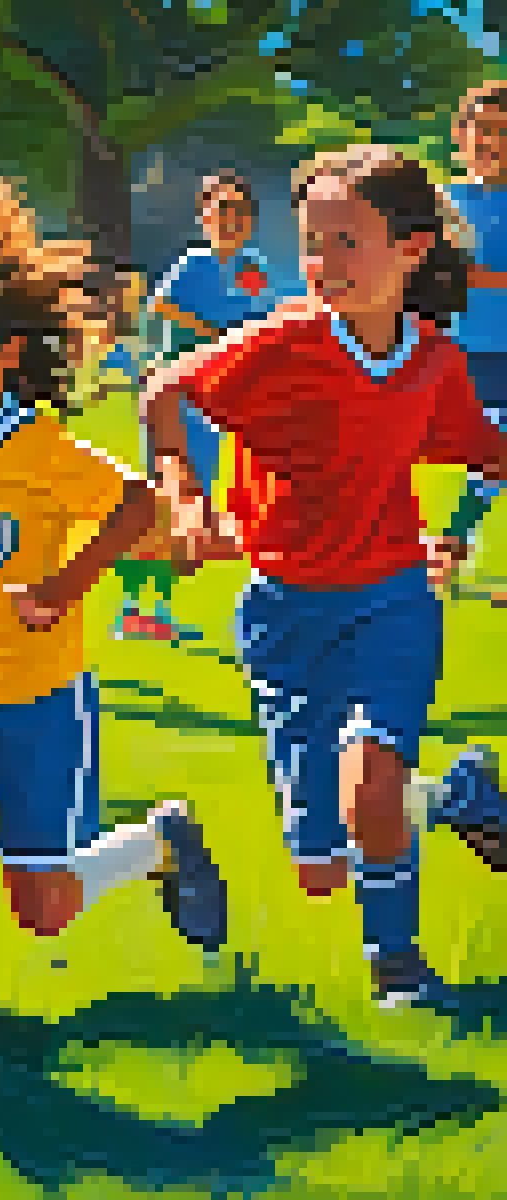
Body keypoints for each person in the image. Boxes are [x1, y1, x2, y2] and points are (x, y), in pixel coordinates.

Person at [146, 144, 507, 1009]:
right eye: (313, 243)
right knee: (320, 864)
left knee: (371, 783)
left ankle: (400, 972)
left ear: (411, 251)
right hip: (281, 614)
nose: (323, 264)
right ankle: (458, 793)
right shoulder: (281, 343)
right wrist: (186, 496)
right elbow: (168, 392)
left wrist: (457, 528)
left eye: (347, 241)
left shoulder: (432, 363)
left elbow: (485, 452)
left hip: (390, 602)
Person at [0, 178, 231, 1023]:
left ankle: (160, 844)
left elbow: (134, 507)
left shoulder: (37, 447)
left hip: (38, 701)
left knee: (41, 907)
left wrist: (67, 584)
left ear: (7, 355)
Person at [114, 172, 281, 642]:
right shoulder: (195, 263)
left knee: (192, 504)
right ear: (204, 217)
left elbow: (263, 320)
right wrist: (217, 338)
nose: (230, 218)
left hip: (215, 404)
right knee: (169, 500)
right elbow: (162, 305)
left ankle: (150, 611)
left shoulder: (254, 267)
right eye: (220, 208)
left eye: (239, 209)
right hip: (177, 399)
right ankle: (135, 610)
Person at [440, 80, 507, 560]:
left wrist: (484, 279)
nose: (491, 141)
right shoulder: (443, 202)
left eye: (502, 131)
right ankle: (453, 538)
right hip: (458, 350)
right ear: (460, 137)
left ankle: (456, 536)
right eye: (481, 129)